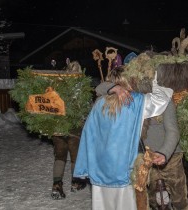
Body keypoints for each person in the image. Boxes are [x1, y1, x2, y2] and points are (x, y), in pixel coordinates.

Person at [73, 66, 173, 210]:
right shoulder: (135, 101)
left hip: (100, 169)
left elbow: (88, 136)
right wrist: (154, 77)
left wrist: (86, 164)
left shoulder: (99, 104)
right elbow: (163, 97)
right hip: (123, 170)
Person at [96, 71, 188, 210]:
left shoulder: (160, 98)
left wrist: (164, 153)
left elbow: (173, 131)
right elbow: (99, 89)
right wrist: (114, 88)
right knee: (152, 199)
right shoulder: (123, 99)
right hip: (143, 159)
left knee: (179, 199)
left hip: (170, 157)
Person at [51, 135, 88, 200]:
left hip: (57, 129)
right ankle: (76, 182)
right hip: (73, 131)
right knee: (75, 156)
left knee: (59, 157)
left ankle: (56, 185)